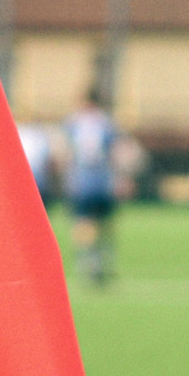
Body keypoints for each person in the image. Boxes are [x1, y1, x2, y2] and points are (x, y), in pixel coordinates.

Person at [64, 88, 120, 287]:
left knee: (83, 221)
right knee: (104, 223)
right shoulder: (106, 122)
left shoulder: (73, 123)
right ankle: (101, 258)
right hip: (102, 181)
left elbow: (69, 152)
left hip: (81, 181)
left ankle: (87, 259)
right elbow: (113, 153)